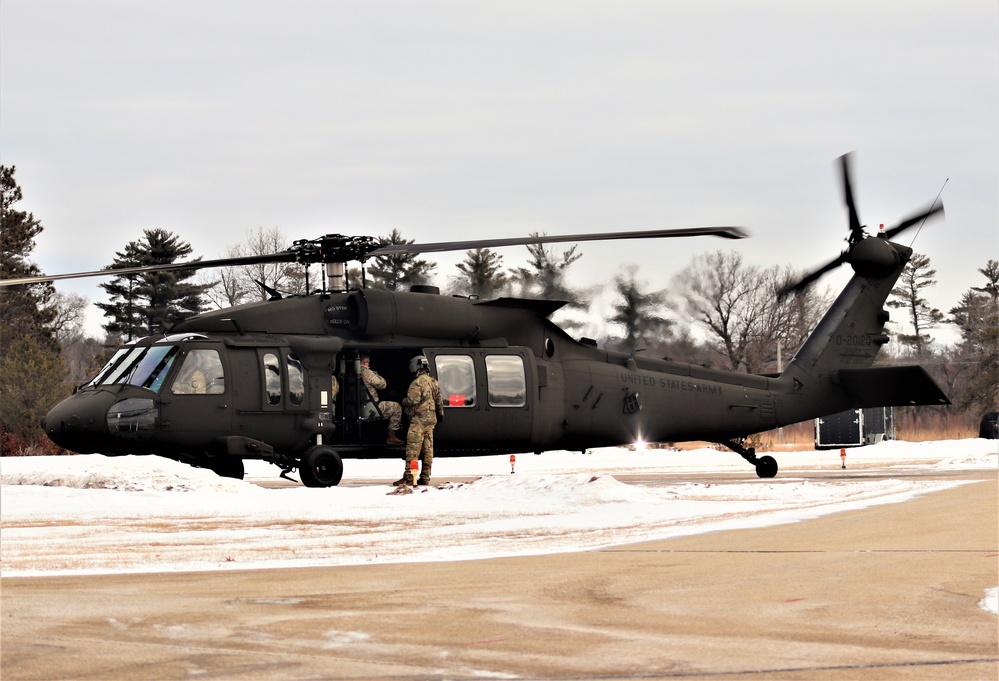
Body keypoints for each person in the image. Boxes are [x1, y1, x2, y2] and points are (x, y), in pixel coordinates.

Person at [395, 354, 444, 486]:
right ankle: (425, 477)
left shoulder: (416, 383)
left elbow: (412, 400)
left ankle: (409, 478)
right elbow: (439, 401)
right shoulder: (434, 382)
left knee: (413, 449)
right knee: (428, 449)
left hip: (419, 421)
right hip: (430, 420)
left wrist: (403, 401)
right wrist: (440, 414)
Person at [359, 354, 404, 445]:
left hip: (359, 407)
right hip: (370, 408)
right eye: (368, 362)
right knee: (396, 407)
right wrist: (376, 375)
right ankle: (391, 436)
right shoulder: (366, 372)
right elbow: (382, 385)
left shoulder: (351, 372)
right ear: (365, 362)